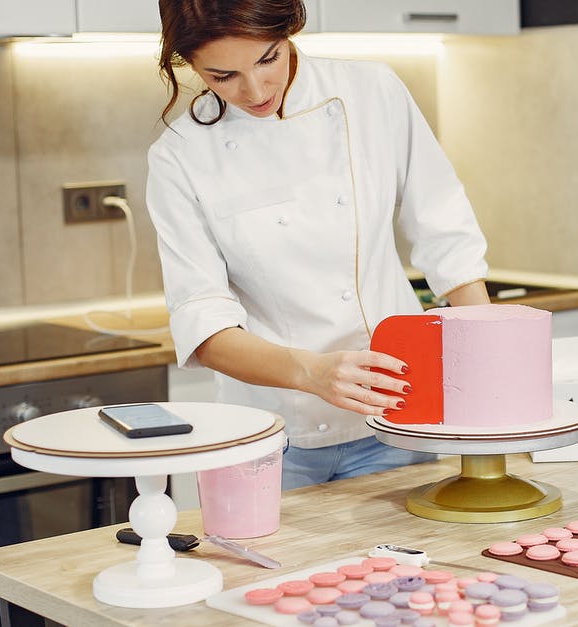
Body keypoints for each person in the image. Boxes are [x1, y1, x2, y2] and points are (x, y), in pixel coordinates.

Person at [147, 0, 491, 490]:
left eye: (268, 58)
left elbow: (446, 232)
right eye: (223, 76)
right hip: (272, 437)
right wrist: (312, 373)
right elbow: (203, 324)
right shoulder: (179, 156)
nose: (255, 89)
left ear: (289, 29)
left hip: (399, 419)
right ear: (189, 65)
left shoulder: (372, 91)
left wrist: (485, 359)